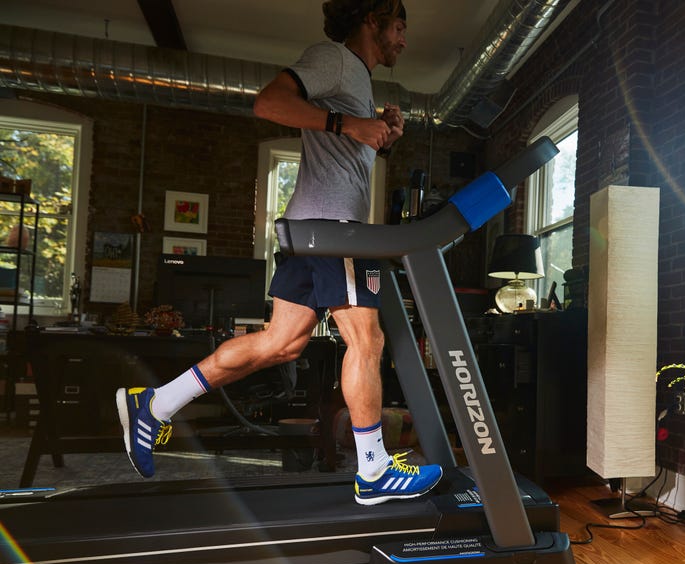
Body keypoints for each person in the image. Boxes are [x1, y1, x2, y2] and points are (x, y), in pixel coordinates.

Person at [116, 0, 442, 505]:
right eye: (399, 26)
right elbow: (268, 104)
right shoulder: (334, 59)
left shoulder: (356, 76)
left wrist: (381, 137)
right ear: (372, 19)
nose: (403, 39)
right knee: (366, 339)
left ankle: (156, 403)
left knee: (280, 344)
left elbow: (342, 151)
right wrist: (349, 125)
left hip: (311, 228)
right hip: (333, 231)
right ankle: (374, 469)